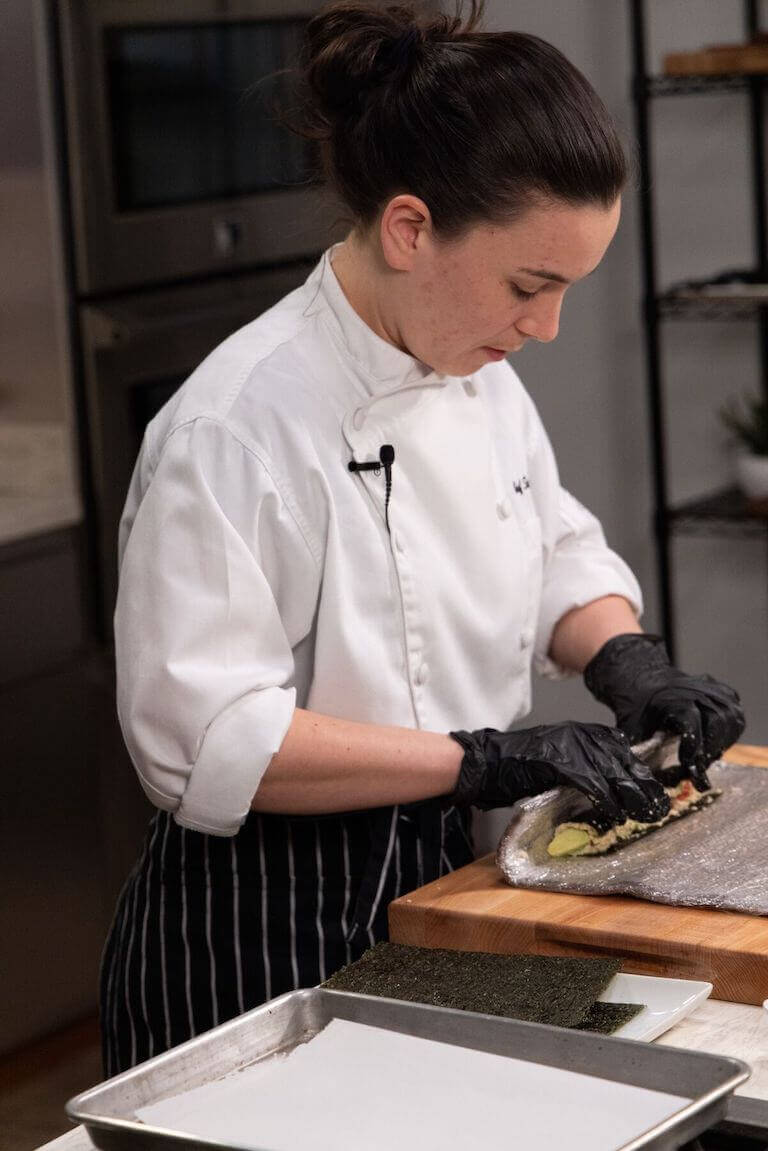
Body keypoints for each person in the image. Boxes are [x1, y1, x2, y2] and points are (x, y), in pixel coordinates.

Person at [100, 0, 744, 1074]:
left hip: (445, 877)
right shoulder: (237, 425)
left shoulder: (470, 368)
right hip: (260, 925)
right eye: (530, 285)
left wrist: (626, 654)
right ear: (410, 229)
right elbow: (208, 738)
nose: (545, 328)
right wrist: (480, 757)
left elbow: (553, 548)